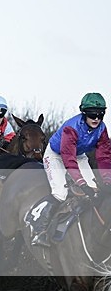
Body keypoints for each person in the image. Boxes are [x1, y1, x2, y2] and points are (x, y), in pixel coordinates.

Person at [30, 93, 111, 246]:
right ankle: (38, 227)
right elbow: (68, 158)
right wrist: (81, 183)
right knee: (60, 193)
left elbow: (104, 157)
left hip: (79, 156)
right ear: (84, 113)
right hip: (56, 155)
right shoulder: (71, 127)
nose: (96, 118)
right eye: (92, 114)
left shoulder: (102, 129)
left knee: (95, 191)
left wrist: (107, 180)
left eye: (100, 114)